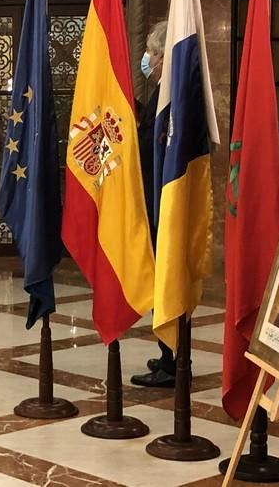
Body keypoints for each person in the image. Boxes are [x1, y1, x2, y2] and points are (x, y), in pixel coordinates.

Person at [129, 21, 177, 388]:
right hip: (155, 199)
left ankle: (174, 360)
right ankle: (167, 354)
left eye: (153, 54)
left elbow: (154, 147)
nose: (148, 59)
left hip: (165, 203)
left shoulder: (173, 95)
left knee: (168, 283)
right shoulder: (162, 91)